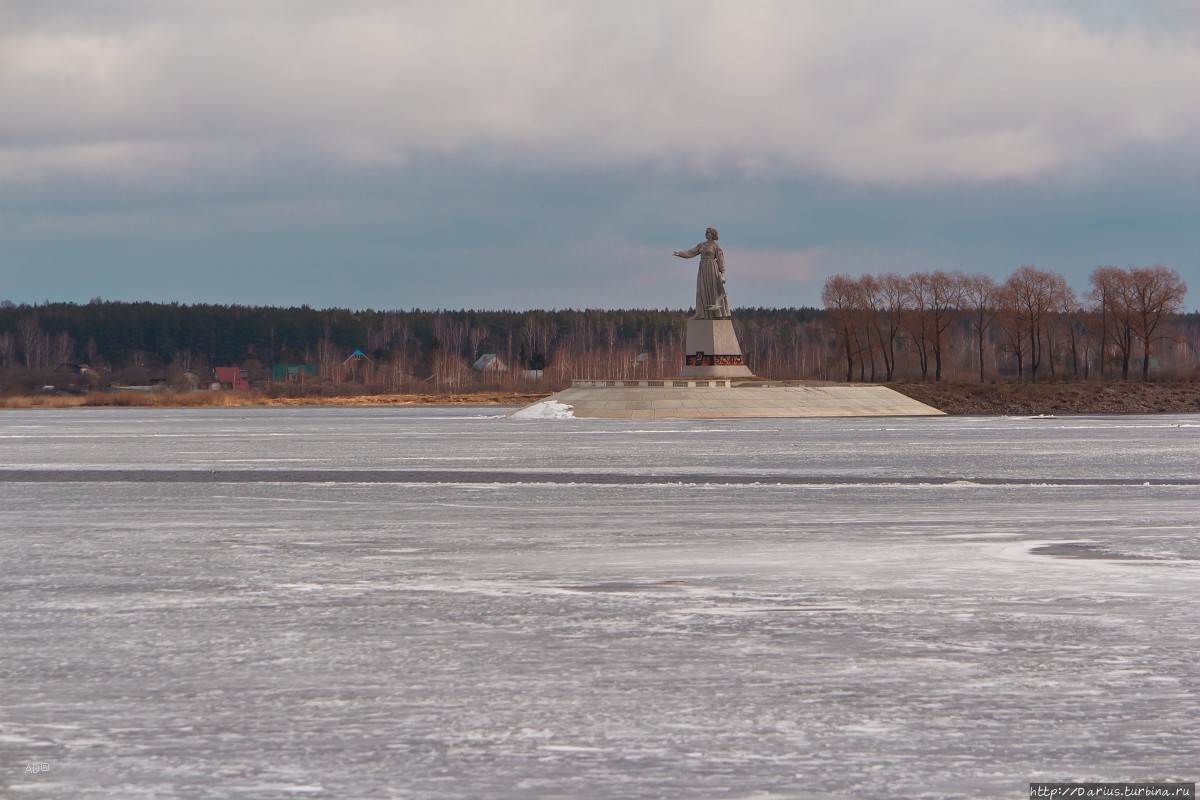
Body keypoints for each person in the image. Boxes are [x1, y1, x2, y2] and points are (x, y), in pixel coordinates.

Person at [673, 227, 730, 319]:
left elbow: (721, 260)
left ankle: (718, 314)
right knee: (701, 290)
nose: (706, 234)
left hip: (712, 269)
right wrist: (680, 253)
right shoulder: (701, 245)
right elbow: (691, 252)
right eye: (706, 232)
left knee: (714, 290)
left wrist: (722, 273)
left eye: (707, 232)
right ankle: (702, 313)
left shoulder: (716, 246)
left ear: (712, 234)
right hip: (703, 269)